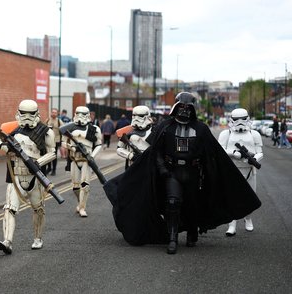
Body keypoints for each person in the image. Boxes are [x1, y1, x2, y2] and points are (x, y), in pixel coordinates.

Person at [104, 92, 261, 255]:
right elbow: (156, 151)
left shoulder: (201, 129)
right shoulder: (166, 127)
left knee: (192, 204)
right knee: (173, 202)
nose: (184, 111)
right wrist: (163, 169)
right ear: (176, 107)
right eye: (181, 107)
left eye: (188, 108)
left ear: (192, 109)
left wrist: (208, 173)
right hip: (172, 173)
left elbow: (211, 154)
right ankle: (172, 238)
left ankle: (192, 232)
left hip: (193, 173)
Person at [0, 99, 56, 254]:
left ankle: (37, 238)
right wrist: (3, 146)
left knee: (38, 209)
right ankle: (7, 241)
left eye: (31, 114)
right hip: (15, 176)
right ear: (18, 113)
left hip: (35, 176)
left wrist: (38, 162)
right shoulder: (11, 128)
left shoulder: (45, 131)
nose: (27, 117)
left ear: (37, 114)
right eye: (24, 113)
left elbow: (52, 152)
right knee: (9, 208)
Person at [217, 108, 263, 236]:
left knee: (250, 196)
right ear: (232, 120)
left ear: (248, 118)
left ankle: (248, 219)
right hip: (232, 169)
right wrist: (234, 153)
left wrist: (254, 159)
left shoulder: (254, 134)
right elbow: (220, 150)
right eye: (237, 120)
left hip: (249, 169)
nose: (240, 122)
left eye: (243, 119)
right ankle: (232, 224)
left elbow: (260, 152)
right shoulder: (226, 134)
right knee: (232, 196)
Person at [61, 106, 103, 217]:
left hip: (86, 160)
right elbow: (63, 143)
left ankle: (83, 208)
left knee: (85, 185)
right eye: (78, 114)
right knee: (75, 187)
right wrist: (73, 148)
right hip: (74, 159)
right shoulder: (70, 127)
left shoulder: (94, 129)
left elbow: (99, 145)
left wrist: (92, 156)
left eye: (83, 114)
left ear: (88, 115)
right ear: (75, 114)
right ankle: (80, 203)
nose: (80, 117)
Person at [116, 105, 153, 169]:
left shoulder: (154, 130)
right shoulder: (128, 131)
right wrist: (131, 156)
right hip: (133, 166)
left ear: (147, 116)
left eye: (140, 116)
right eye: (134, 116)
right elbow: (119, 149)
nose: (136, 118)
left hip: (150, 165)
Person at [44, 108, 62, 176]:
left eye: (55, 112)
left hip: (56, 140)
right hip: (48, 140)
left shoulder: (59, 121)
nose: (53, 114)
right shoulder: (47, 120)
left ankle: (54, 170)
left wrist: (61, 140)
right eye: (52, 112)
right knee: (48, 155)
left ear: (57, 114)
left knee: (54, 155)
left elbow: (63, 130)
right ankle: (49, 168)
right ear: (51, 113)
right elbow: (43, 128)